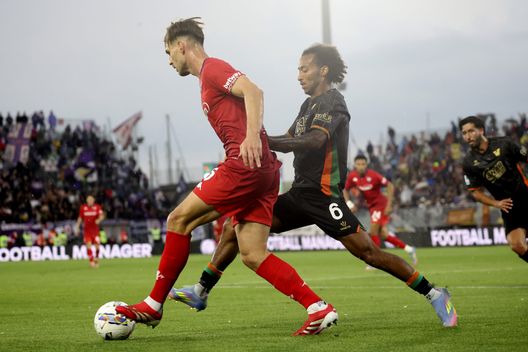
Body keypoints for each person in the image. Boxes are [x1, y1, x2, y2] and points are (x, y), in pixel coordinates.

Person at [170, 43, 457, 328]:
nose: (298, 75)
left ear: (323, 70)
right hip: (300, 194)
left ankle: (434, 293)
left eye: (303, 69)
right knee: (238, 224)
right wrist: (254, 137)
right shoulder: (307, 105)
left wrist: (261, 139)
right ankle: (201, 290)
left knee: (369, 252)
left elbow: (315, 140)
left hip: (324, 197)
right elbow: (289, 137)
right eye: (298, 69)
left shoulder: (333, 102)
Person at [116, 18, 337, 335]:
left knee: (178, 220)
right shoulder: (206, 79)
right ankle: (318, 308)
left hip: (244, 164)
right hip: (264, 170)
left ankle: (152, 305)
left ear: (182, 45)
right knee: (252, 253)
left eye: (168, 53)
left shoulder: (213, 69)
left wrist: (250, 137)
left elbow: (254, 91)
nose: (169, 61)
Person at [459, 115, 528, 263]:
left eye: (471, 131)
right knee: (517, 245)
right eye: (464, 133)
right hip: (508, 207)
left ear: (481, 130)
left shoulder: (504, 144)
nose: (467, 136)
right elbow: (475, 192)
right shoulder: (468, 163)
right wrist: (496, 204)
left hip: (525, 196)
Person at [343, 155, 417, 266]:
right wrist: (349, 203)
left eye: (363, 164)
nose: (361, 166)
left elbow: (390, 186)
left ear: (366, 165)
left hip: (381, 205)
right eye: (358, 164)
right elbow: (345, 189)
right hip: (372, 207)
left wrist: (389, 205)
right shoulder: (353, 176)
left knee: (373, 231)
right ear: (355, 165)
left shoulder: (373, 175)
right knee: (383, 235)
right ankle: (409, 249)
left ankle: (374, 259)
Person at [75, 195, 104, 267]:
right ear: (87, 201)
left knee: (97, 246)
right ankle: (91, 261)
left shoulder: (97, 207)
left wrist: (99, 220)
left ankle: (96, 258)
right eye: (89, 200)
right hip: (87, 231)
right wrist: (77, 227)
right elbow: (80, 218)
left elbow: (102, 216)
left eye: (92, 200)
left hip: (95, 231)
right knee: (89, 245)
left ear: (93, 200)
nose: (90, 201)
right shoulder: (83, 208)